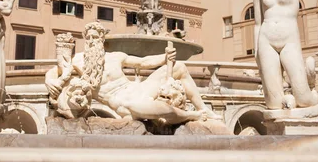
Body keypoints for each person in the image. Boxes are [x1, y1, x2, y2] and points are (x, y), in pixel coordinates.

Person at [46, 22, 220, 125]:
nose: (92, 41)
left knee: (179, 67)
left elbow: (143, 63)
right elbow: (55, 71)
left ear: (102, 39)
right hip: (123, 101)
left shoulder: (116, 57)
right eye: (89, 38)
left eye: (96, 37)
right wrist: (49, 81)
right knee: (158, 109)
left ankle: (204, 110)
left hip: (138, 88)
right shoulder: (78, 61)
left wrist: (165, 56)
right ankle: (193, 116)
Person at [253, 0, 318, 110]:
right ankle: (286, 100)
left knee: (304, 99)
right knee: (273, 104)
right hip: (266, 40)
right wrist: (256, 50)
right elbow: (257, 24)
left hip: (289, 39)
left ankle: (310, 86)